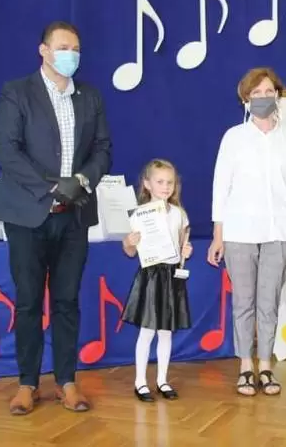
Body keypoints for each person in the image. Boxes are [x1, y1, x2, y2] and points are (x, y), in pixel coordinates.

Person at [0, 21, 112, 415]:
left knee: (67, 301)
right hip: (28, 214)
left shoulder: (90, 97)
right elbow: (8, 152)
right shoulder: (17, 92)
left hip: (74, 216)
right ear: (43, 50)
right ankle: (27, 383)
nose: (70, 55)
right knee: (27, 302)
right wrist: (52, 187)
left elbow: (103, 149)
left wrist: (81, 181)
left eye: (75, 48)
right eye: (62, 47)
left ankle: (67, 381)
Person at [207, 67, 286, 397]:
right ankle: (245, 367)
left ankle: (265, 365)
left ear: (278, 96)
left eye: (269, 92)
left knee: (269, 302)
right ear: (246, 99)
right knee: (244, 302)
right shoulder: (234, 138)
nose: (263, 97)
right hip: (239, 230)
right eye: (256, 93)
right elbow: (221, 187)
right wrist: (218, 235)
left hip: (280, 230)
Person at [120, 159, 193, 402]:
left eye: (169, 182)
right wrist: (129, 243)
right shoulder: (139, 216)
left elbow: (182, 244)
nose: (165, 187)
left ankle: (162, 379)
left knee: (165, 332)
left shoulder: (179, 214)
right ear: (147, 184)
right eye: (160, 182)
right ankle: (140, 382)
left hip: (171, 276)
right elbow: (130, 251)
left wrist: (186, 250)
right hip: (151, 276)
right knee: (147, 331)